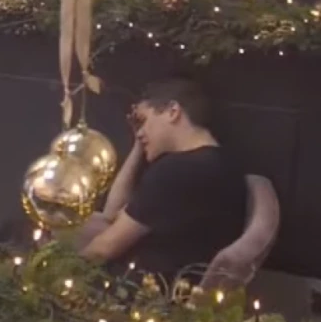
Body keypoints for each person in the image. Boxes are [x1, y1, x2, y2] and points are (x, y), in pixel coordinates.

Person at [80, 76, 247, 286]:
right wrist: (139, 146)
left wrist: (59, 275)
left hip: (142, 291)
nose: (139, 132)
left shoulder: (177, 171)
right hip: (176, 286)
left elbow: (105, 247)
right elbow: (111, 214)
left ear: (172, 112)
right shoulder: (218, 162)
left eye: (143, 121)